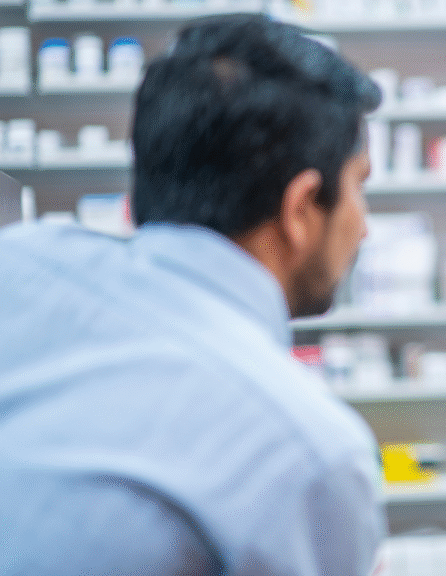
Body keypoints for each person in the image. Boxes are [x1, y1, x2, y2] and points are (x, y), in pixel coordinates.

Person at [0, 14, 386, 575]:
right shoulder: (308, 453)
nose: (365, 225)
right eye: (359, 185)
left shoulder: (20, 263)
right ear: (300, 208)